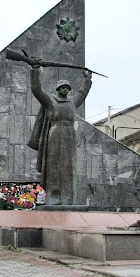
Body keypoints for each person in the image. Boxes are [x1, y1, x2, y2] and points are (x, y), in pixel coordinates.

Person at [28, 63, 92, 205]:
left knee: (69, 167)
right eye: (62, 87)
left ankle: (68, 198)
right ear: (57, 89)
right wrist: (35, 70)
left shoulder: (72, 102)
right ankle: (53, 198)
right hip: (55, 134)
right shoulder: (50, 101)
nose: (64, 89)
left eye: (67, 88)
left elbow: (82, 93)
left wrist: (87, 80)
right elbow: (37, 90)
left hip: (69, 135)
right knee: (53, 166)